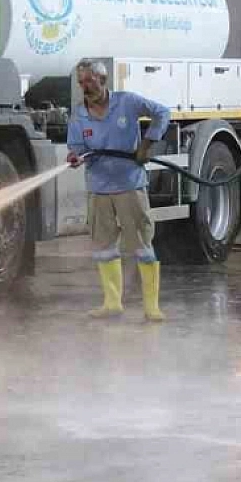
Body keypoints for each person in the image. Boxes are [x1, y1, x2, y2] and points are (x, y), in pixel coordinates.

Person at [67, 59, 172, 322]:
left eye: (89, 81)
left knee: (142, 244)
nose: (85, 87)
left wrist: (146, 146)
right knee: (104, 247)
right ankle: (112, 303)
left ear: (102, 80)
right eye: (81, 83)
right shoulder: (79, 115)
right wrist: (75, 156)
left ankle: (151, 307)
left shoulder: (127, 102)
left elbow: (162, 112)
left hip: (129, 185)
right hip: (99, 188)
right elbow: (77, 147)